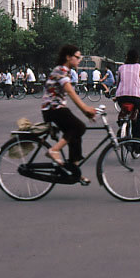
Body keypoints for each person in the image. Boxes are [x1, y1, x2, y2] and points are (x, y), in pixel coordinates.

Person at [41, 45, 97, 183]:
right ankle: (54, 150)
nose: (79, 60)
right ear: (68, 57)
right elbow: (70, 92)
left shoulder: (66, 71)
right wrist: (85, 109)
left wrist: (86, 111)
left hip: (57, 108)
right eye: (77, 57)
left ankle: (74, 172)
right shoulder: (60, 70)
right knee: (79, 127)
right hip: (52, 109)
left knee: (75, 137)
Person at [115, 49, 140, 148]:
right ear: (137, 58)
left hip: (121, 97)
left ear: (126, 57)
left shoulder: (121, 68)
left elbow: (118, 83)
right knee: (136, 120)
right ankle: (138, 146)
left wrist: (115, 96)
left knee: (124, 111)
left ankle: (122, 125)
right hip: (135, 97)